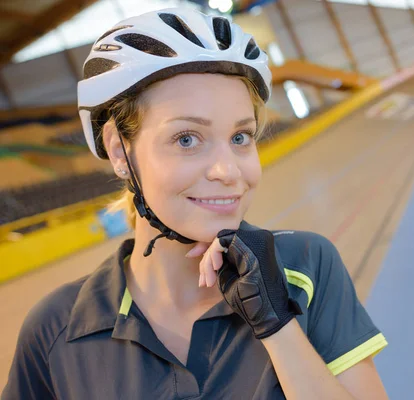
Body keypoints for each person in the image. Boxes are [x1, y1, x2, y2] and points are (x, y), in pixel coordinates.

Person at [2, 8, 388, 399]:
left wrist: (279, 327)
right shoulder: (56, 328)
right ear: (120, 151)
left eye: (241, 137)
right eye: (187, 138)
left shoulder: (306, 267)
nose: (228, 171)